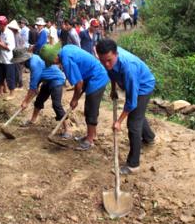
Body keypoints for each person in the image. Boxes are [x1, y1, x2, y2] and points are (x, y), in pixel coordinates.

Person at [96, 38, 156, 175]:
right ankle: (150, 138)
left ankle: (133, 165)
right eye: (102, 60)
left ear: (116, 54)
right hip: (131, 82)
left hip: (143, 86)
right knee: (138, 115)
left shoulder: (129, 67)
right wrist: (113, 89)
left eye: (109, 60)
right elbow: (111, 72)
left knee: (133, 124)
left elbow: (131, 101)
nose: (106, 64)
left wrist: (119, 121)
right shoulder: (108, 59)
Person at [40, 43, 109, 150]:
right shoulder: (66, 49)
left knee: (90, 109)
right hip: (91, 75)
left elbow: (79, 83)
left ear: (54, 56)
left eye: (52, 62)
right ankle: (92, 135)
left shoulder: (66, 60)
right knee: (90, 109)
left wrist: (74, 100)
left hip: (97, 77)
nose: (54, 64)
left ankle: (90, 140)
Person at [13, 48, 70, 138]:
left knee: (56, 104)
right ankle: (32, 120)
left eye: (19, 61)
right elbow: (35, 86)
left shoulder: (34, 63)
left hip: (56, 79)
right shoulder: (30, 61)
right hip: (47, 80)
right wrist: (29, 97)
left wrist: (25, 101)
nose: (19, 63)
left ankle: (67, 130)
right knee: (39, 101)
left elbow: (33, 87)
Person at [0, 15, 16, 101]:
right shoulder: (2, 33)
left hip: (9, 59)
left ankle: (12, 93)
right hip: (2, 58)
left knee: (10, 77)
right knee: (0, 76)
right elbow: (2, 41)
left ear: (3, 24)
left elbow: (8, 47)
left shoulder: (9, 33)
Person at [8, 19, 25, 90]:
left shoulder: (17, 36)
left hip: (18, 55)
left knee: (18, 70)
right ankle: (17, 83)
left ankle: (20, 85)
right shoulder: (15, 35)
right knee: (16, 70)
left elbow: (17, 47)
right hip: (17, 54)